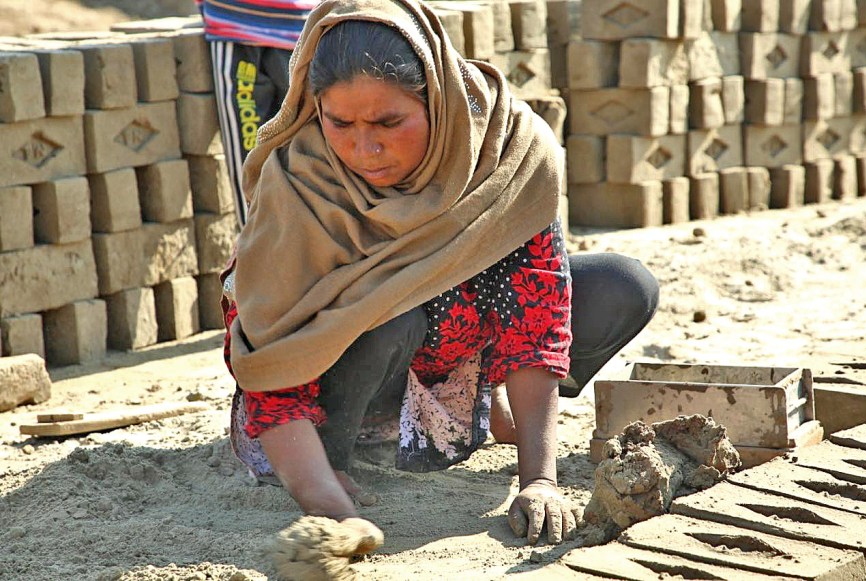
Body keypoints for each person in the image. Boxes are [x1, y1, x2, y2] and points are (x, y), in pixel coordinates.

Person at [220, 0, 659, 557]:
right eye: (340, 123)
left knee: (622, 285)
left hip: (452, 357)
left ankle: (482, 405)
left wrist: (539, 479)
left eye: (388, 123)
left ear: (439, 99)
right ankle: (340, 454)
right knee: (391, 314)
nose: (364, 149)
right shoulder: (298, 185)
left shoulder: (507, 151)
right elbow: (272, 360)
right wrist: (326, 503)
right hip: (337, 389)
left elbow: (537, 316)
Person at [196, 0, 320, 226]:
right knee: (250, 168)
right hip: (237, 24)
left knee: (310, 161)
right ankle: (255, 245)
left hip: (303, 28)